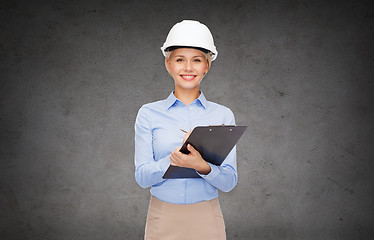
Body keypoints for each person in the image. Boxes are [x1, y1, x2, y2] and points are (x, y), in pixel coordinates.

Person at [134, 20, 237, 240]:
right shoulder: (148, 113)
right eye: (180, 60)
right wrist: (174, 159)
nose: (188, 68)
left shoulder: (223, 115)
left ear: (206, 66)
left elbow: (229, 181)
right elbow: (142, 177)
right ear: (168, 64)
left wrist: (203, 167)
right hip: (162, 217)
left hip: (207, 217)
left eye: (197, 60)